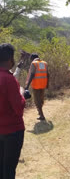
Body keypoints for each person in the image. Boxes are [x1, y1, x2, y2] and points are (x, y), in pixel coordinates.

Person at [0, 43, 26, 179]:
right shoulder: (9, 80)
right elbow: (19, 108)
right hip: (12, 132)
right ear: (10, 59)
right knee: (9, 170)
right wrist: (21, 92)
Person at [25, 53, 49, 121]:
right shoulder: (44, 63)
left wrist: (27, 85)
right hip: (43, 84)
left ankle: (42, 115)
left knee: (36, 100)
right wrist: (47, 83)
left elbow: (32, 74)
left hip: (36, 85)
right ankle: (40, 112)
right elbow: (47, 74)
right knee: (41, 99)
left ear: (32, 58)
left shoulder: (34, 63)